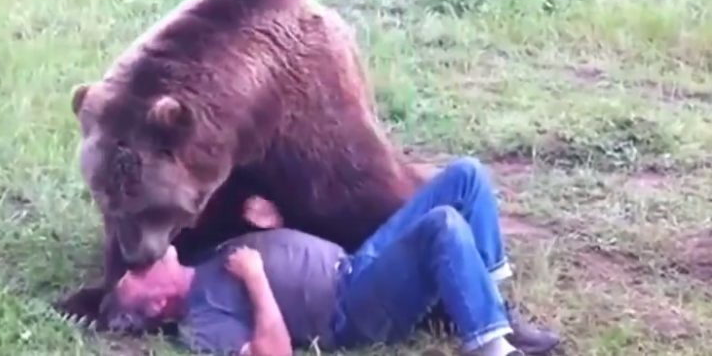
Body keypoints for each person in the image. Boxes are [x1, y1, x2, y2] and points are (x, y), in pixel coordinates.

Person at [101, 157, 561, 355]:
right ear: (159, 305)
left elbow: (281, 256)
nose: (140, 262)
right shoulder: (201, 324)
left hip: (356, 263)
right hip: (348, 312)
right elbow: (274, 351)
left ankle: (495, 308)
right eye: (135, 278)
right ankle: (491, 344)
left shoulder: (198, 258)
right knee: (441, 226)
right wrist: (256, 279)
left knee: (466, 175)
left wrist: (276, 226)